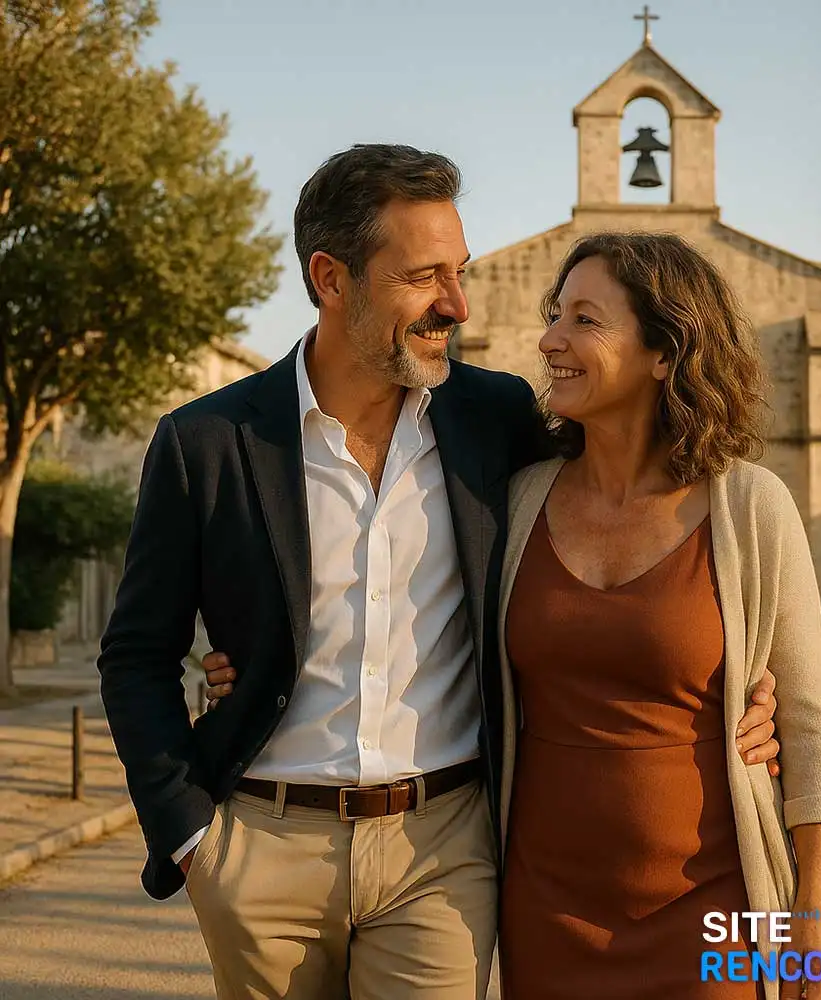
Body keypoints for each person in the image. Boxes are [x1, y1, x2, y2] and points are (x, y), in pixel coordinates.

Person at [100, 143, 780, 1000]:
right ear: (332, 278)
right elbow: (135, 657)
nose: (455, 304)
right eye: (424, 277)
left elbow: (626, 526)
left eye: (457, 272)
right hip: (263, 848)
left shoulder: (497, 421)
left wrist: (742, 678)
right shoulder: (207, 442)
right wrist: (192, 838)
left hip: (444, 851)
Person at [494, 232, 821, 1000]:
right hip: (543, 915)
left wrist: (812, 913)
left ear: (664, 352)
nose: (550, 339)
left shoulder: (752, 507)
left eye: (584, 320)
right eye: (554, 314)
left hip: (710, 914)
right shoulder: (519, 499)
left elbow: (811, 724)